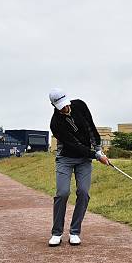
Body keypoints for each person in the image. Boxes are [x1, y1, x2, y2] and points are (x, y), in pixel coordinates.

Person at [48, 89, 110, 247]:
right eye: (60, 107)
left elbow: (90, 126)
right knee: (62, 193)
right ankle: (57, 233)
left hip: (84, 160)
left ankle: (74, 232)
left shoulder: (80, 105)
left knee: (83, 192)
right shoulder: (55, 123)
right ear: (53, 105)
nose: (65, 108)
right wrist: (96, 156)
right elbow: (73, 145)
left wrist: (98, 148)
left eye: (65, 105)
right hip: (65, 158)